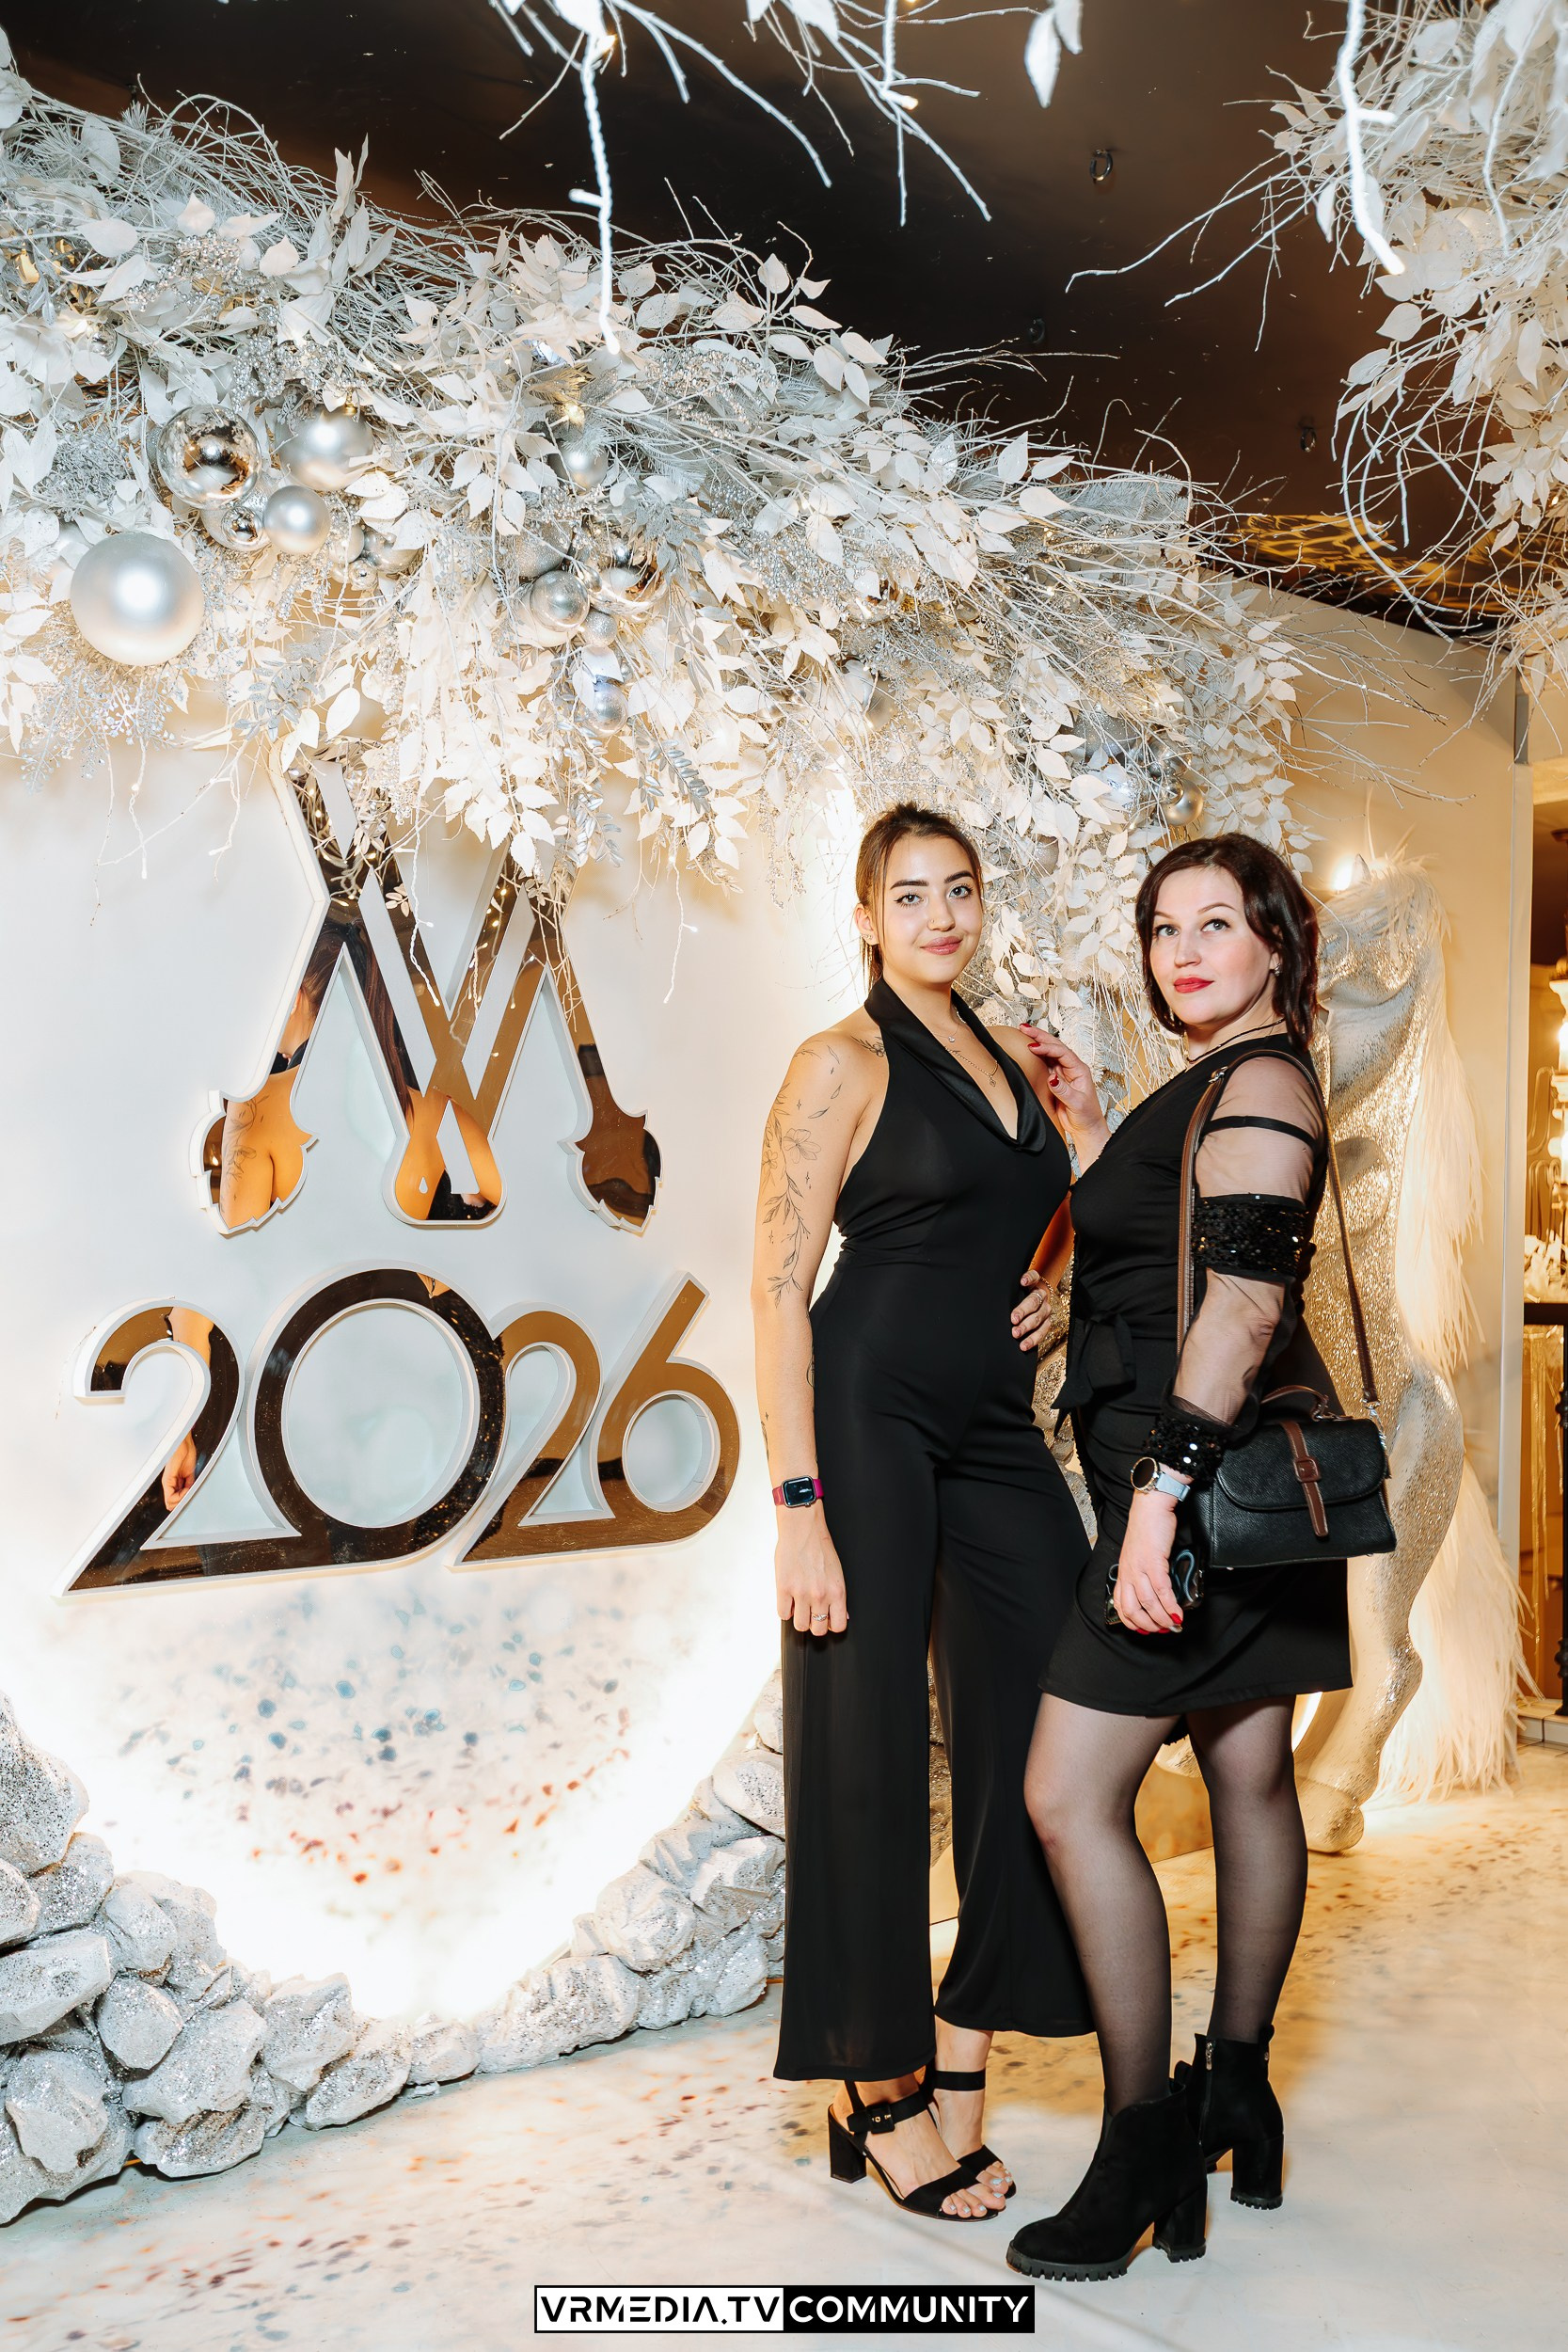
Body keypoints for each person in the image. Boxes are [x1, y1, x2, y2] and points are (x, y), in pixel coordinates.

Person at [1006, 833, 1352, 2281]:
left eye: (1218, 922)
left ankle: (1143, 2139)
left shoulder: (1263, 1083)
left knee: (1066, 1792)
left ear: (1277, 940)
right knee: (1248, 1775)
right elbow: (1166, 1246)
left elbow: (1246, 1309)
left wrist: (1159, 1500)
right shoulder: (1218, 1079)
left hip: (1197, 1491)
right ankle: (1241, 2094)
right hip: (1220, 1488)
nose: (1185, 949)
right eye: (1164, 927)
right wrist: (1094, 1131)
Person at [751, 802, 1093, 2226]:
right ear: (866, 916)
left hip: (996, 1428)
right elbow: (777, 1286)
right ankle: (874, 2083)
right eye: (910, 894)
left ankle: (962, 2043)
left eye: (960, 890)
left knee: (1050, 1712)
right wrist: (798, 1507)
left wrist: (1061, 1274)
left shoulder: (1017, 1059)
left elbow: (1041, 1219)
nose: (941, 916)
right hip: (867, 1416)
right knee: (868, 1741)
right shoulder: (839, 1061)